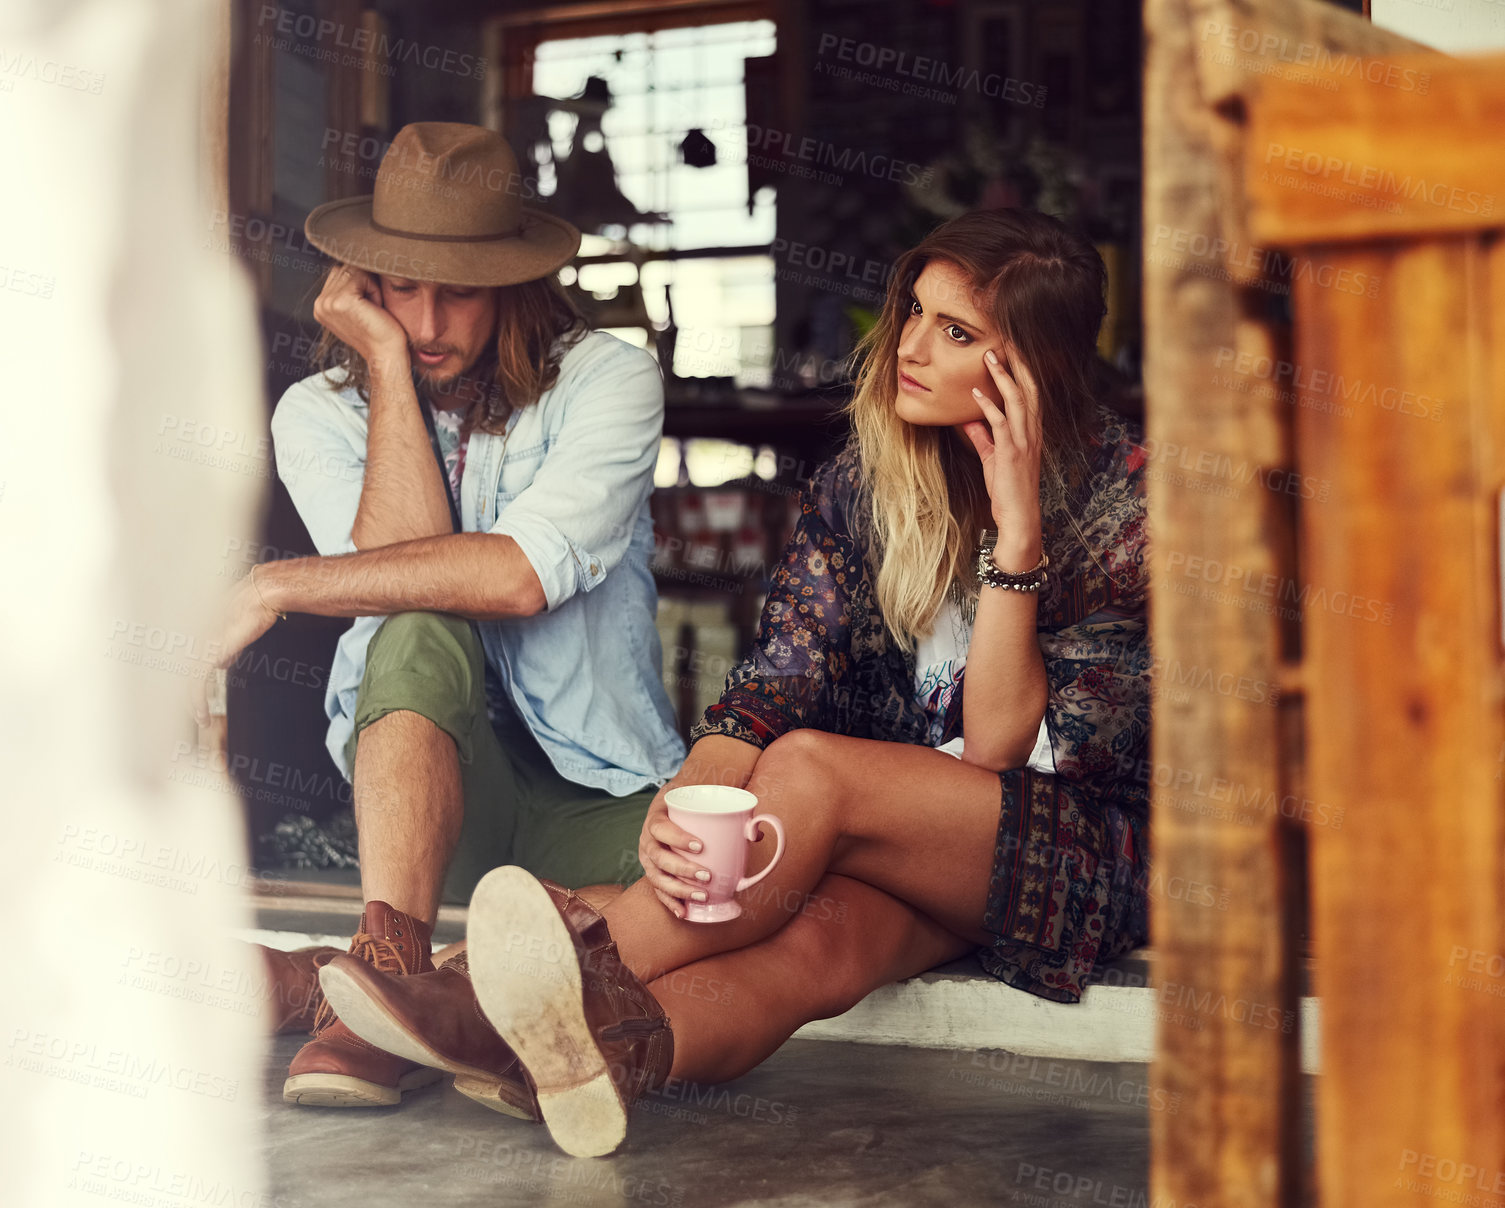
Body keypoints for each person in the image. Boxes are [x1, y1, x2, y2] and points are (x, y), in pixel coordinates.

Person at [313, 206, 1152, 1157]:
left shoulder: (1127, 500)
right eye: (913, 311)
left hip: (1076, 856)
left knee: (811, 771)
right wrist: (682, 804)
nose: (907, 347)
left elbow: (999, 750)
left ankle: (466, 1009)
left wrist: (1017, 539)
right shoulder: (863, 479)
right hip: (896, 835)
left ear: (1028, 369)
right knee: (813, 952)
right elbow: (776, 679)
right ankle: (602, 1057)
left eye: (955, 333)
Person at [203, 121, 686, 1107]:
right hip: (430, 803)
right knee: (418, 624)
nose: (425, 319)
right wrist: (383, 363)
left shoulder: (608, 381)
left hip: (596, 797)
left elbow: (515, 578)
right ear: (362, 285)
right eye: (397, 287)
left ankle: (345, 986)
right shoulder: (317, 409)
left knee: (710, 903)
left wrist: (274, 584)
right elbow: (396, 578)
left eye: (456, 289)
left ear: (513, 282)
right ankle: (388, 962)